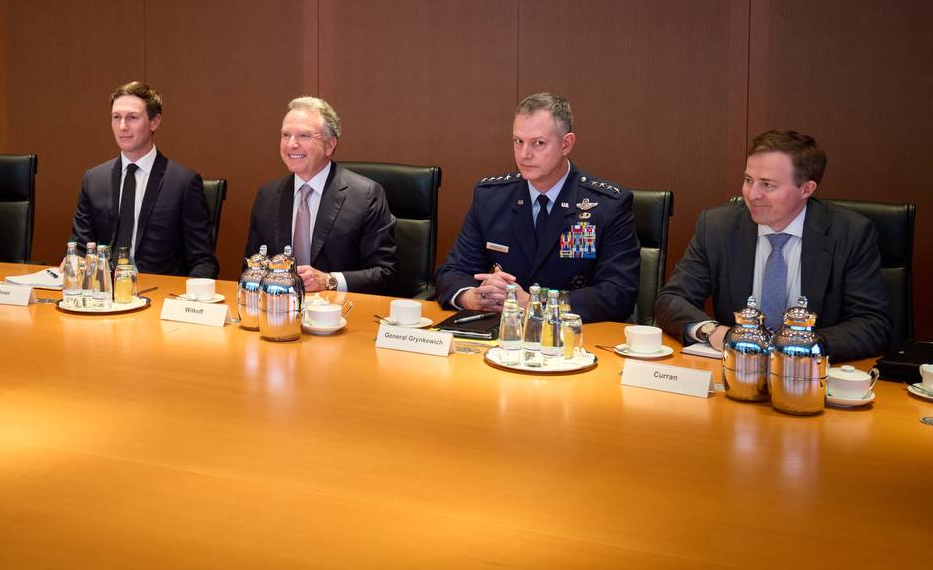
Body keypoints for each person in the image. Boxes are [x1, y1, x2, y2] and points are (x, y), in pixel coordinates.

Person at [655, 130, 891, 362]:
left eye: (767, 185)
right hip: (738, 369)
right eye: (748, 180)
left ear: (806, 189)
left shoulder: (849, 234)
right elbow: (672, 299)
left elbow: (873, 324)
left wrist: (794, 347)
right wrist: (713, 331)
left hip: (811, 373)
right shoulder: (718, 227)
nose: (752, 194)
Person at [435, 92, 639, 322]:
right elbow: (452, 272)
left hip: (573, 334)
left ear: (566, 144)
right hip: (506, 331)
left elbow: (618, 293)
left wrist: (536, 303)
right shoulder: (491, 198)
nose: (524, 155)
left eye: (538, 143)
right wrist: (473, 297)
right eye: (518, 141)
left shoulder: (607, 205)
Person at [244, 96, 397, 295]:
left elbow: (386, 273)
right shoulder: (268, 196)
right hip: (280, 308)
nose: (291, 144)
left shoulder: (366, 196)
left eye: (303, 136)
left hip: (342, 309)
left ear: (329, 145)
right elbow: (250, 267)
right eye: (285, 135)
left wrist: (329, 280)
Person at [70, 82, 219, 277]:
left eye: (132, 117)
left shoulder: (183, 183)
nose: (122, 126)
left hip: (159, 289)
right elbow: (80, 249)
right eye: (116, 117)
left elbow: (203, 261)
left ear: (155, 122)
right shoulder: (94, 180)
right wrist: (74, 262)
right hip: (105, 289)